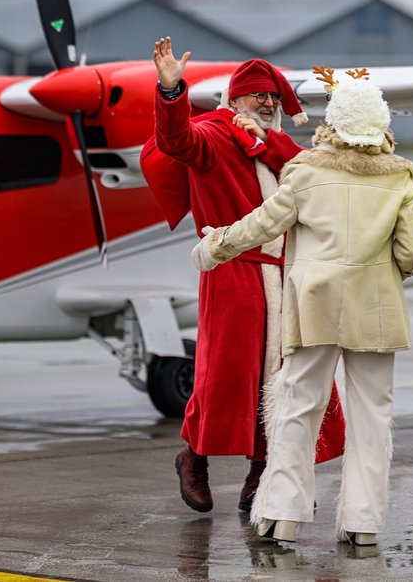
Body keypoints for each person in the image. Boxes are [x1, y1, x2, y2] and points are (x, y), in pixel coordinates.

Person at [191, 70, 413, 546]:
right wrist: (388, 273)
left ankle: (284, 515)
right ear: (380, 125)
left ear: (332, 125)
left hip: (314, 305)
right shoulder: (401, 175)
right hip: (376, 310)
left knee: (299, 408)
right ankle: (363, 524)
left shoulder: (305, 171)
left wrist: (216, 246)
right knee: (372, 415)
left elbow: (263, 224)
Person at [142, 37, 345, 515]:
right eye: (258, 95)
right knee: (224, 375)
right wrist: (171, 93)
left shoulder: (283, 149)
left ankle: (262, 469)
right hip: (233, 269)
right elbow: (175, 141)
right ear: (234, 99)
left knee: (281, 377)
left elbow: (314, 176)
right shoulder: (213, 137)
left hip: (286, 273)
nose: (268, 103)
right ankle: (194, 458)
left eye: (273, 97)